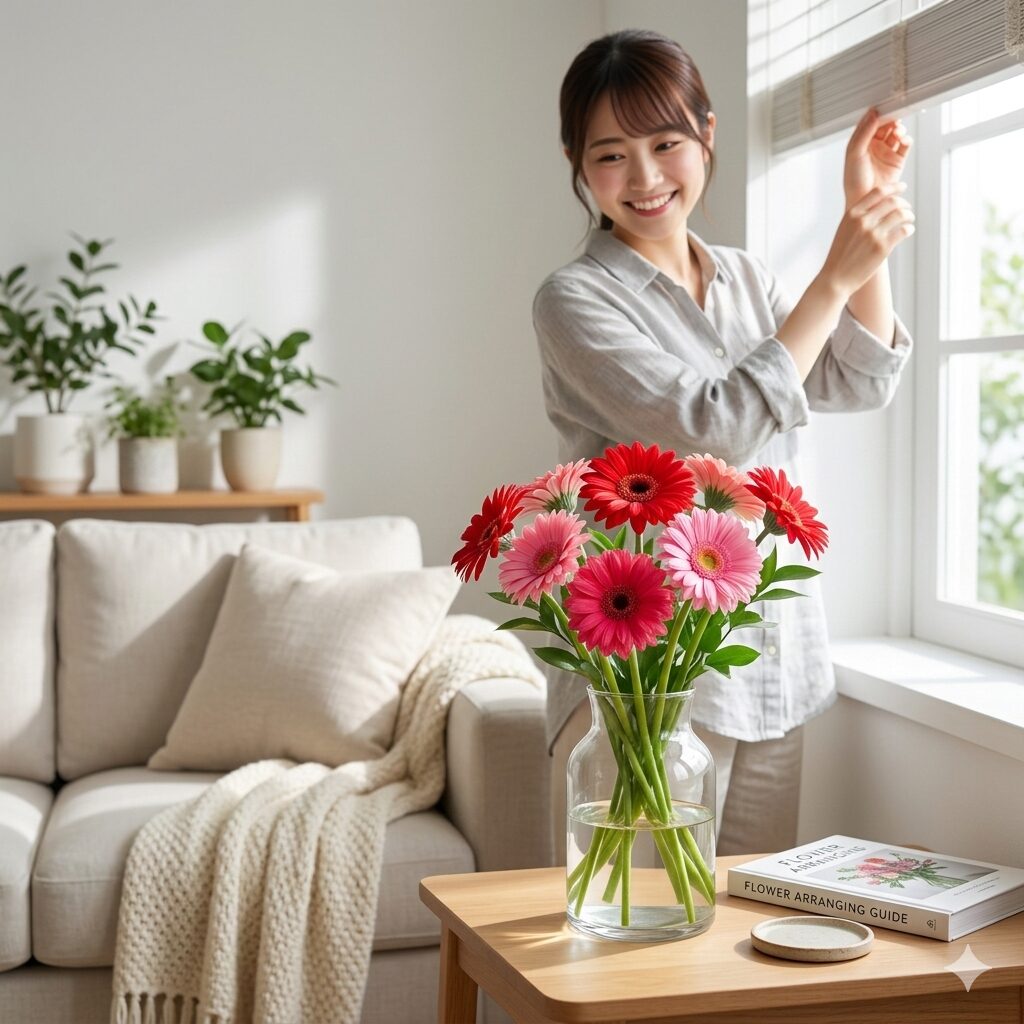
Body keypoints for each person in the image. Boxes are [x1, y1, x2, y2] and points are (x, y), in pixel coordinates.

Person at [534, 29, 914, 862]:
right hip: (653, 677)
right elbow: (721, 426)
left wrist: (864, 221)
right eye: (610, 154)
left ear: (707, 134)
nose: (644, 178)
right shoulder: (573, 300)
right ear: (575, 161)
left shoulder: (747, 279)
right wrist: (833, 278)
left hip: (774, 656)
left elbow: (862, 380)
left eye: (666, 143)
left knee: (741, 945)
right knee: (643, 946)